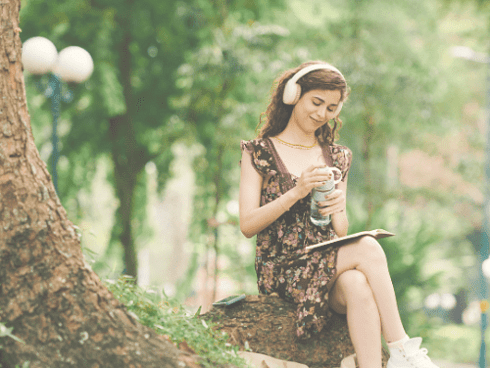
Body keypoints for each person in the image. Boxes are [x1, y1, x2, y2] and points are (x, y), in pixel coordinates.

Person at [239, 61, 439, 368]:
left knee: (358, 284)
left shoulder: (338, 156)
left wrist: (337, 208)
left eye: (331, 108)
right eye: (316, 103)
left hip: (325, 265)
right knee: (369, 247)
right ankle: (401, 347)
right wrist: (296, 192)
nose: (321, 114)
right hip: (282, 268)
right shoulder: (259, 152)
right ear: (294, 95)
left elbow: (341, 231)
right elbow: (247, 225)